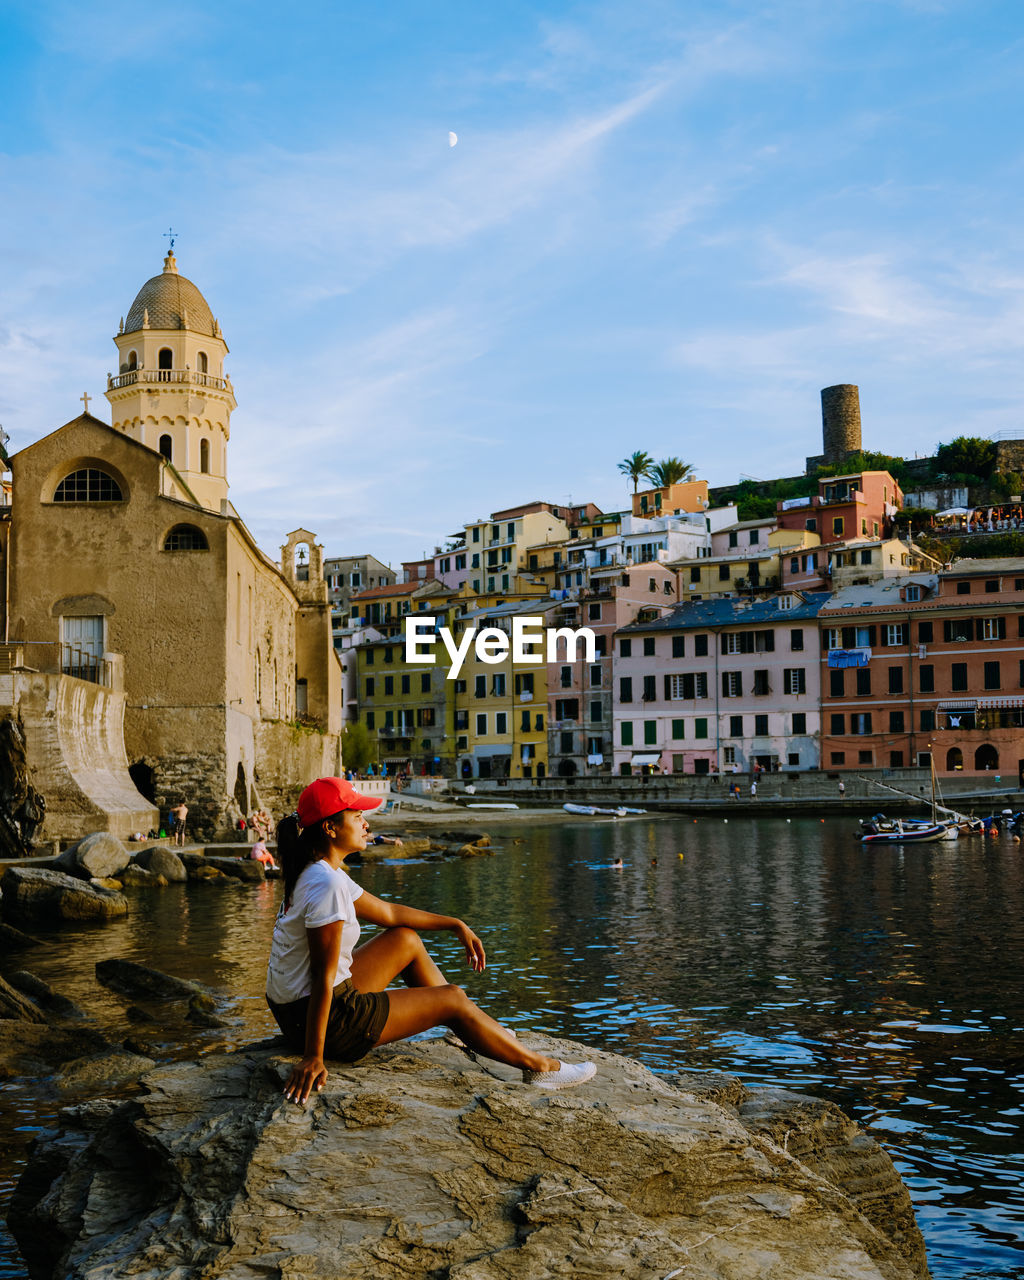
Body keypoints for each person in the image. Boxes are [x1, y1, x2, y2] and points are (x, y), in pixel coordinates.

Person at [266, 777, 596, 1103]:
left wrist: (455, 924)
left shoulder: (319, 871)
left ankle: (472, 1032)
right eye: (357, 817)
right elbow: (323, 977)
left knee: (404, 940)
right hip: (327, 1021)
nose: (366, 824)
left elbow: (391, 914)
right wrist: (314, 1056)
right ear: (330, 828)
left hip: (297, 1012)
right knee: (451, 998)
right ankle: (540, 1068)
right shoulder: (327, 885)